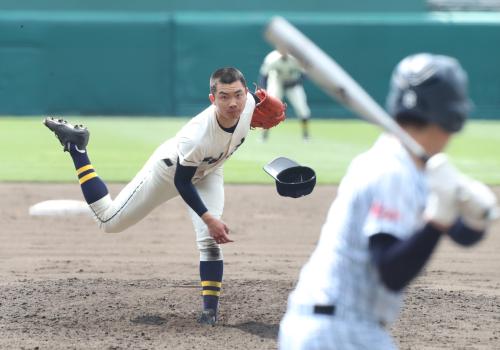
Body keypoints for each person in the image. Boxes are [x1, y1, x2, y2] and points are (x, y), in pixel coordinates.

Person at [278, 53, 498, 349]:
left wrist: (474, 217)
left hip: (335, 326)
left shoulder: (409, 167)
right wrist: (437, 220)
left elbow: (461, 234)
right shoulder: (392, 170)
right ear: (451, 117)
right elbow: (392, 271)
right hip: (338, 330)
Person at [43, 67, 285, 326]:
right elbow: (183, 181)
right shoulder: (199, 134)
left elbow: (269, 108)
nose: (233, 102)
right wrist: (208, 218)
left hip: (210, 169)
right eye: (224, 96)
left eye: (238, 94)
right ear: (213, 99)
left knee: (210, 241)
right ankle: (78, 148)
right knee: (108, 221)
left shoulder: (248, 103)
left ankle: (209, 313)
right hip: (170, 171)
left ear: (245, 92)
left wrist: (276, 107)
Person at [259, 50, 311, 141]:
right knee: (270, 108)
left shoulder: (296, 58)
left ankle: (306, 135)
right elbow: (264, 75)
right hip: (276, 82)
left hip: (293, 84)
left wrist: (296, 81)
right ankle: (264, 135)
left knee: (302, 109)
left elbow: (304, 74)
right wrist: (263, 90)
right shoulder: (272, 58)